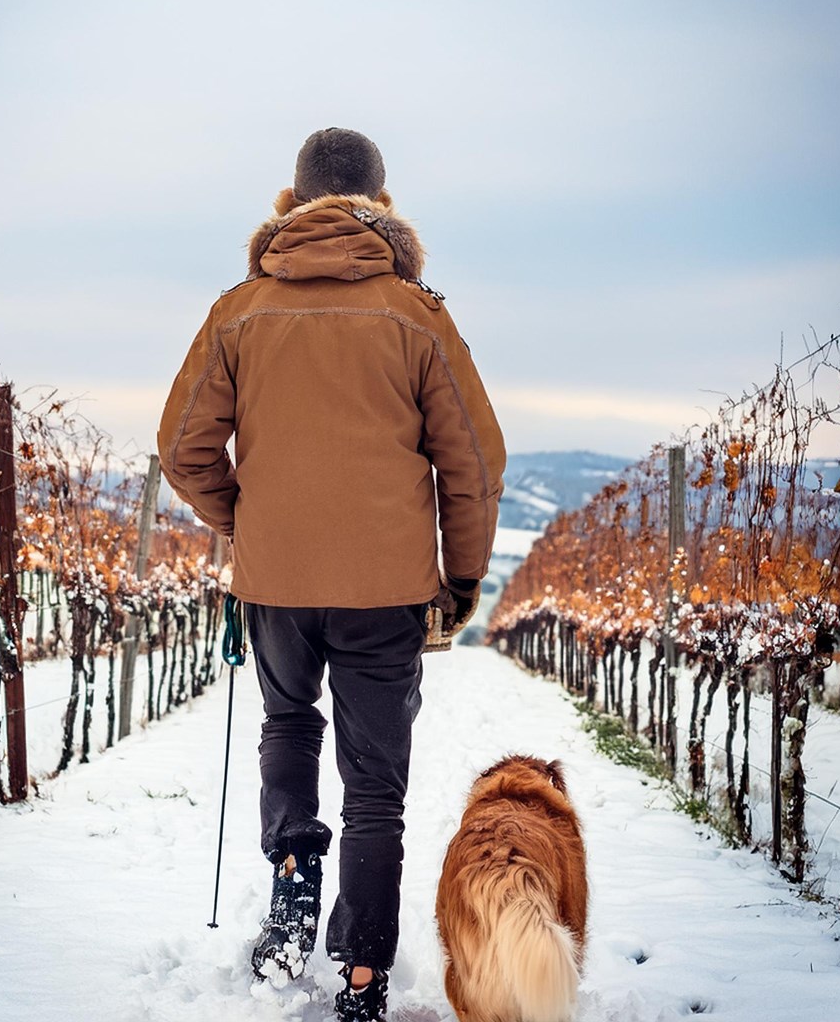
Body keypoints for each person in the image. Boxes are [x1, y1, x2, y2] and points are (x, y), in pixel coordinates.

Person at [157, 127, 505, 1022]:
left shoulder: (237, 311)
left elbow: (183, 450)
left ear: (292, 203)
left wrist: (248, 522)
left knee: (286, 722)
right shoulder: (418, 314)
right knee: (376, 784)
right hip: (388, 591)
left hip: (273, 584)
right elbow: (472, 461)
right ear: (382, 207)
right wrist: (461, 579)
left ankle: (292, 887)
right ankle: (361, 975)